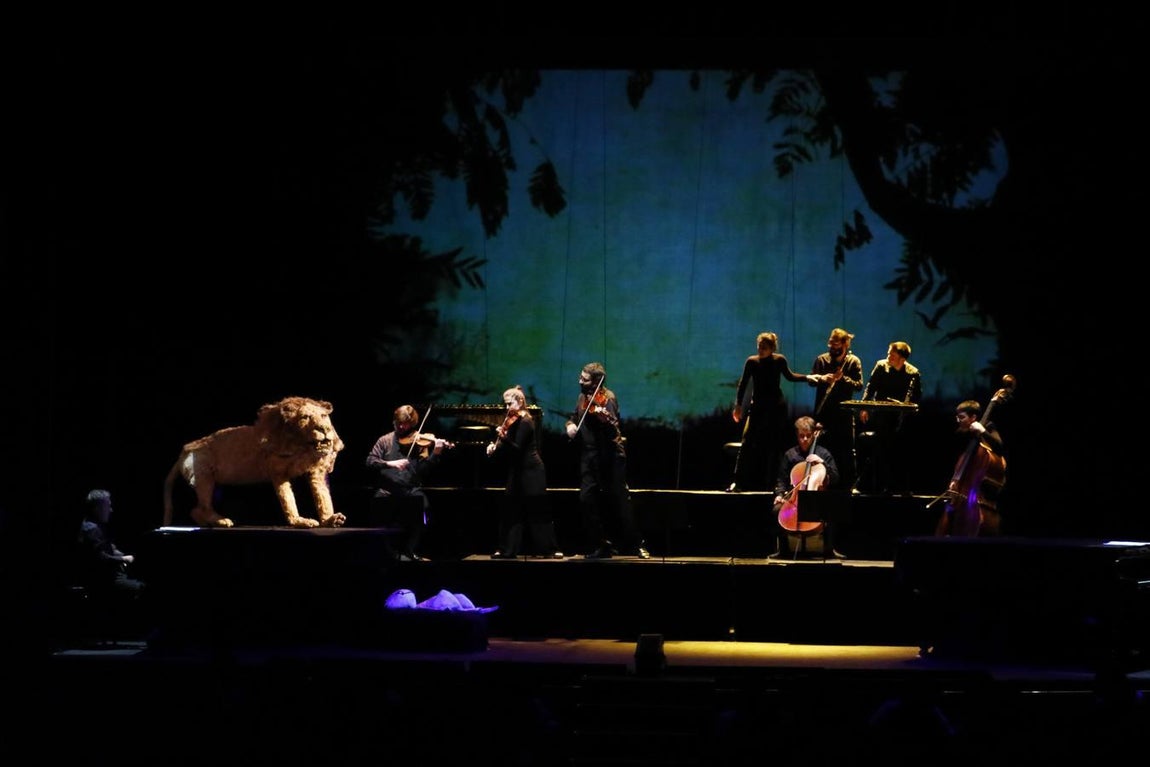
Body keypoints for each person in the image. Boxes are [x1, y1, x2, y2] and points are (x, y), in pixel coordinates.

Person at [564, 362, 650, 559]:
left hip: (610, 455)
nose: (580, 381)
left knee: (620, 501)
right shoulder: (582, 397)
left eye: (585, 379)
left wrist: (604, 419)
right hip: (590, 456)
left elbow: (612, 424)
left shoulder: (608, 398)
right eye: (580, 377)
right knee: (586, 500)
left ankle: (637, 544)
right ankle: (601, 544)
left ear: (597, 382)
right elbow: (574, 417)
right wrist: (570, 426)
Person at [727, 332, 816, 492]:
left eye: (764, 348)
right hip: (757, 408)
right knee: (747, 443)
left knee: (774, 445)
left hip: (776, 409)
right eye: (759, 347)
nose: (761, 350)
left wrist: (808, 377)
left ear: (772, 348)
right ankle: (737, 482)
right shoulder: (752, 362)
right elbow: (743, 383)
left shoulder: (779, 360)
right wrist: (738, 405)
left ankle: (775, 484)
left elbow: (790, 376)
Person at [486, 385, 564, 559]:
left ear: (520, 402)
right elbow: (506, 445)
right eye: (505, 404)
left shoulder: (526, 421)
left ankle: (550, 549)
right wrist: (494, 447)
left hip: (532, 470)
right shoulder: (512, 420)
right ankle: (507, 550)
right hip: (517, 470)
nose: (507, 408)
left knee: (537, 510)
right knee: (511, 510)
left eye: (510, 404)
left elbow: (517, 448)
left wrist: (504, 438)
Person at [365, 404, 451, 562]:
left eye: (405, 424)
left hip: (410, 490)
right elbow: (370, 461)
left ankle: (410, 549)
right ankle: (389, 553)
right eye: (398, 423)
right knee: (378, 511)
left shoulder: (420, 442)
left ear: (412, 424)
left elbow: (423, 470)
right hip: (387, 490)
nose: (401, 427)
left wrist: (436, 453)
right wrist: (389, 463)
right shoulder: (385, 440)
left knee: (424, 510)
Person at [770, 416, 844, 559]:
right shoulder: (790, 455)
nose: (804, 439)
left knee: (832, 508)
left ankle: (829, 550)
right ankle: (783, 550)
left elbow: (835, 478)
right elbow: (781, 480)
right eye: (801, 436)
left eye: (808, 436)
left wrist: (823, 463)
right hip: (794, 501)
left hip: (816, 500)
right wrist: (779, 495)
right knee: (776, 510)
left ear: (813, 435)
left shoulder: (823, 454)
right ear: (797, 436)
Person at [933, 399, 1006, 537]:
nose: (958, 420)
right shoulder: (962, 433)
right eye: (957, 417)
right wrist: (955, 479)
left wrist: (983, 431)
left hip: (975, 499)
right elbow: (961, 463)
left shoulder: (988, 426)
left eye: (962, 417)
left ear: (973, 417)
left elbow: (999, 447)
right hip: (960, 493)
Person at [858, 341, 922, 494]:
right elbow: (870, 387)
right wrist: (864, 406)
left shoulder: (913, 373)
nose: (888, 357)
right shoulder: (881, 366)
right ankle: (877, 487)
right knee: (881, 449)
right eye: (888, 354)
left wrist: (906, 407)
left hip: (901, 418)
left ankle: (900, 488)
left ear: (902, 359)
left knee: (899, 452)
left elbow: (917, 397)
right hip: (882, 416)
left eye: (892, 355)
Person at [808, 327, 864, 490]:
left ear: (845, 344)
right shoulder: (821, 360)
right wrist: (822, 378)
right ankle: (821, 485)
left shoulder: (853, 361)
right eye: (831, 344)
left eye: (836, 344)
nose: (832, 348)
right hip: (824, 413)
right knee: (822, 451)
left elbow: (858, 385)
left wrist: (843, 379)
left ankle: (848, 487)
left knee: (846, 452)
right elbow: (811, 381)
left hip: (844, 414)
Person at [75, 489, 145, 599]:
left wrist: (119, 554)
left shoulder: (92, 525)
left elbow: (105, 550)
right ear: (97, 508)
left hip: (105, 576)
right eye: (108, 506)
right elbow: (101, 558)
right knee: (143, 588)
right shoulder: (92, 529)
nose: (111, 510)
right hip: (103, 580)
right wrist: (124, 559)